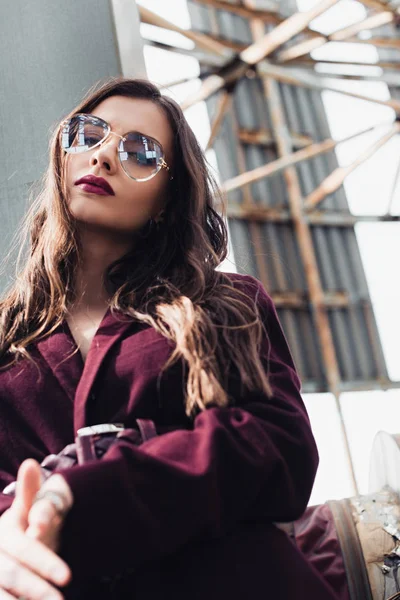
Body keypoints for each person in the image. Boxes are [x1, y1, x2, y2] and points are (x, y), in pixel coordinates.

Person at [0, 77, 338, 600]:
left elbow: (281, 449)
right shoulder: (8, 337)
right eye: (88, 134)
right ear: (62, 154)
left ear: (165, 198)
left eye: (140, 151)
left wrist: (79, 487)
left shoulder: (224, 303)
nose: (104, 155)